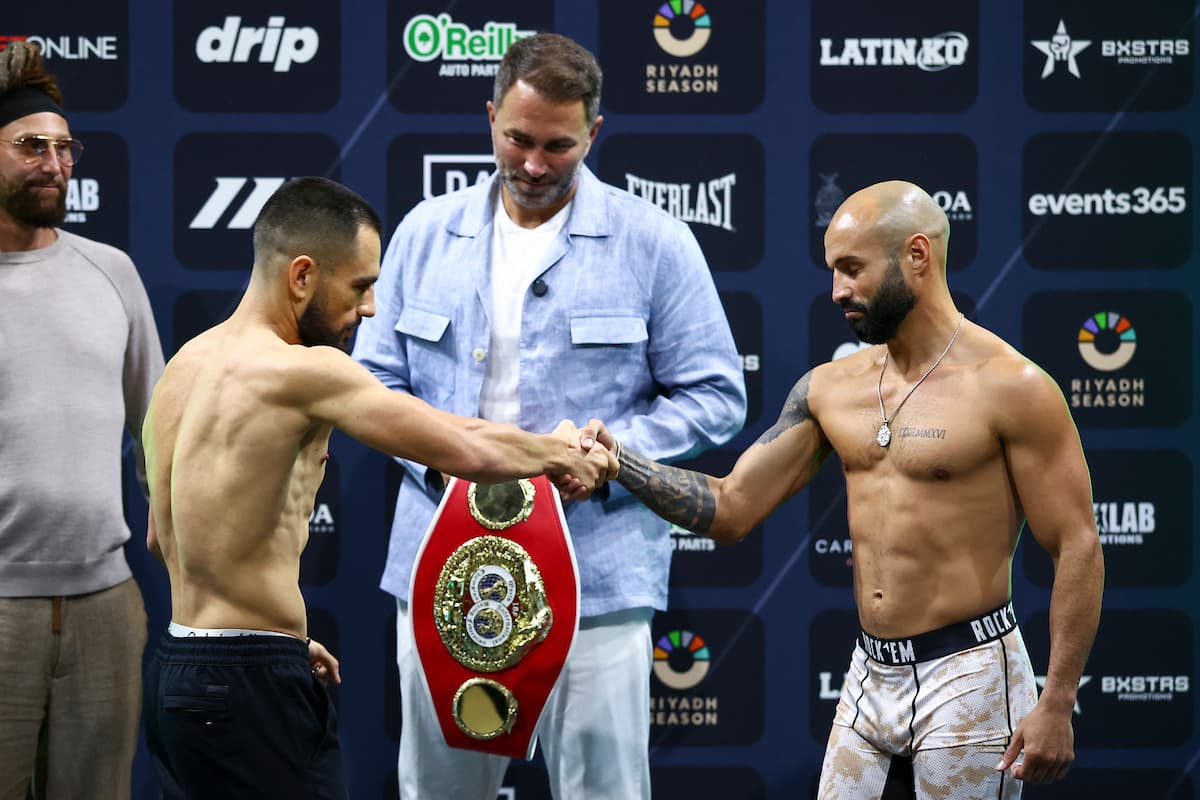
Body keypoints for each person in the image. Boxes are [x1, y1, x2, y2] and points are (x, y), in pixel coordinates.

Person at [583, 181, 1104, 799]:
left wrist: (1058, 700)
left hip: (971, 673)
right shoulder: (830, 389)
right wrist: (620, 465)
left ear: (917, 256)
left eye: (852, 269)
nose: (837, 291)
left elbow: (1077, 545)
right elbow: (732, 507)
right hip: (867, 673)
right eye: (833, 271)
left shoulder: (1011, 386)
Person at [353, 32, 746, 800]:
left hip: (597, 570)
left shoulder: (655, 242)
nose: (533, 165)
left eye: (558, 147)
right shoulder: (423, 235)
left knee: (603, 790)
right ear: (490, 115)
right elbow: (369, 382)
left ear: (594, 133)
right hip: (441, 568)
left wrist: (614, 455)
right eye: (518, 140)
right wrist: (444, 457)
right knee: (438, 790)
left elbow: (717, 394)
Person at [140, 176, 613, 798]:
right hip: (248, 690)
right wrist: (558, 452)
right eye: (360, 286)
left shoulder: (184, 366)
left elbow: (160, 537)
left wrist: (271, 639)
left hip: (178, 675)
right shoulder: (305, 371)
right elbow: (461, 443)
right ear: (302, 276)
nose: (367, 309)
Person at [0, 41, 165, 800]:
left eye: (65, 148)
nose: (55, 164)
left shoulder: (113, 272)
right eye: (32, 146)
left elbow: (158, 437)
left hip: (107, 606)